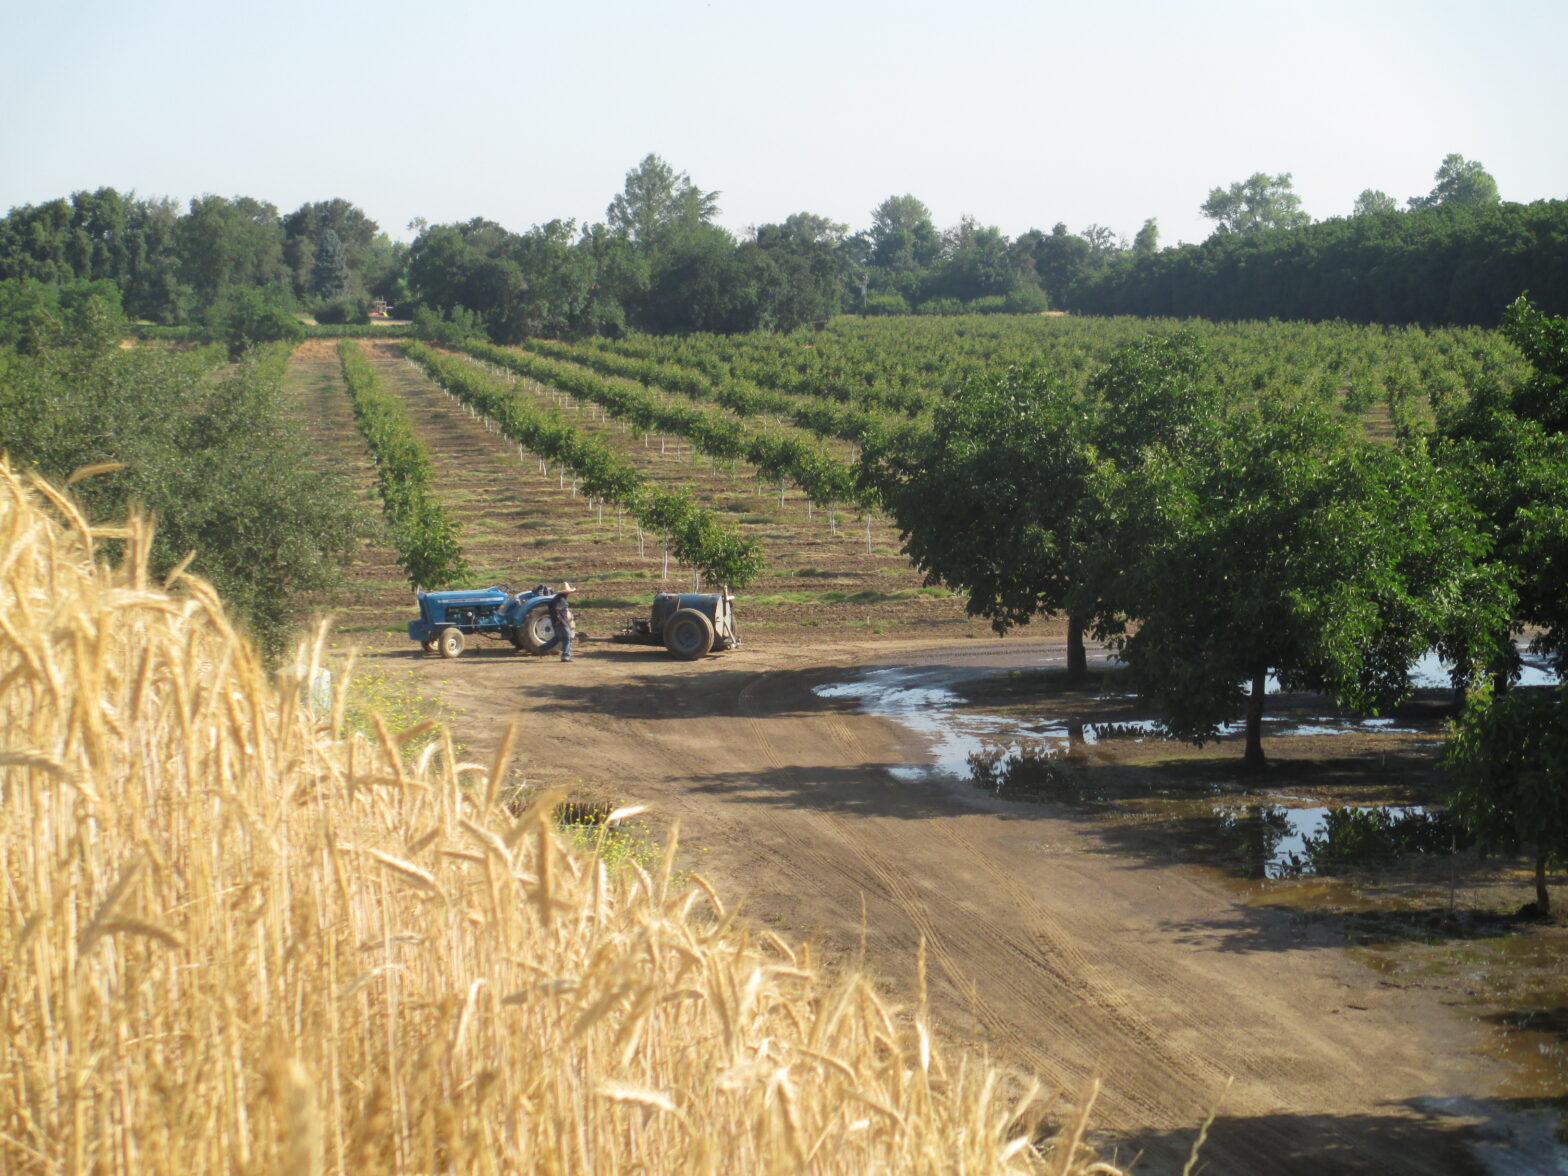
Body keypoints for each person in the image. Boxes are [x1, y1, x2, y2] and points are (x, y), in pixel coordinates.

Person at [538, 582, 576, 662]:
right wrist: (559, 620)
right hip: (562, 623)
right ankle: (565, 656)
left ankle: (542, 648)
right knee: (568, 639)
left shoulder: (556, 599)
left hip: (556, 623)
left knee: (557, 638)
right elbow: (557, 611)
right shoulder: (561, 600)